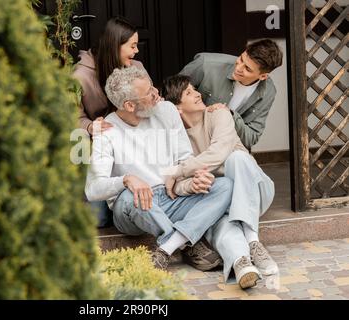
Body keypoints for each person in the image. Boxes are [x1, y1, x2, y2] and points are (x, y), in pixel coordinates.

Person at [85, 66, 233, 270]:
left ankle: (170, 245)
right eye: (148, 93)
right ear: (129, 105)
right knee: (130, 196)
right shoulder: (107, 131)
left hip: (172, 195)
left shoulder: (167, 110)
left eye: (153, 87)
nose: (157, 93)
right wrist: (126, 179)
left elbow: (184, 157)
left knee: (225, 186)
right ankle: (189, 244)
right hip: (134, 208)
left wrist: (194, 178)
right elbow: (92, 189)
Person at [162, 75, 278, 289]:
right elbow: (175, 186)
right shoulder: (176, 140)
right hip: (224, 201)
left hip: (255, 190)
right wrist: (191, 185)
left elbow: (218, 153)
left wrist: (179, 171)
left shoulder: (219, 113)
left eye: (194, 89)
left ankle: (252, 240)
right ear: (176, 108)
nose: (197, 93)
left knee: (236, 158)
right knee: (223, 225)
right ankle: (241, 264)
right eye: (188, 93)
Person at [73, 17, 145, 227]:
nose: (136, 51)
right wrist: (89, 126)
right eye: (132, 46)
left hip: (133, 146)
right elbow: (72, 118)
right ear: (115, 46)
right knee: (99, 219)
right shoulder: (80, 76)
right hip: (102, 149)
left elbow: (148, 101)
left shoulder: (136, 67)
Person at [180, 39, 283, 150]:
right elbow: (170, 96)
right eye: (241, 59)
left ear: (263, 76)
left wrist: (230, 115)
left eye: (247, 69)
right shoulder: (205, 64)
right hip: (188, 140)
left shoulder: (268, 92)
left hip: (228, 147)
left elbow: (251, 138)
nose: (238, 68)